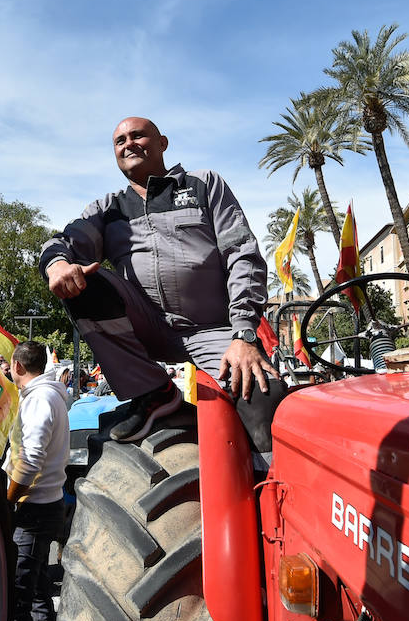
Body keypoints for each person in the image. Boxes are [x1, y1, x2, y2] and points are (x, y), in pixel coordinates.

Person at [39, 117, 283, 450]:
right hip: (147, 329)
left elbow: (243, 255)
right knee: (85, 281)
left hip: (214, 331)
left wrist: (243, 334)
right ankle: (152, 392)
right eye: (120, 140)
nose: (129, 144)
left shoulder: (202, 184)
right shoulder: (107, 209)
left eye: (138, 136)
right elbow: (62, 243)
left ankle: (262, 490)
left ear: (162, 143)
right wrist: (57, 265)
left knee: (263, 395)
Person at [3, 341, 70, 621]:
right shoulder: (47, 395)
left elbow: (29, 460)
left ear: (16, 365)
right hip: (45, 506)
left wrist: (7, 502)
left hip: (32, 511)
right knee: (38, 596)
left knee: (21, 599)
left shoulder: (41, 399)